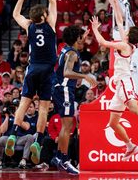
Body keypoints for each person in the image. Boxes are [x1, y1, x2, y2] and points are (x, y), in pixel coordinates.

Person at [91, 0, 138, 162]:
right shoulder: (126, 42)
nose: (124, 29)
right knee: (113, 123)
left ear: (129, 35)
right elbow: (119, 20)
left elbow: (102, 43)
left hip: (124, 81)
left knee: (133, 106)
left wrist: (95, 29)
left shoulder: (124, 45)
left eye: (127, 30)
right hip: (119, 84)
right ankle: (131, 146)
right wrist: (116, 4)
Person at [5, 0, 57, 166]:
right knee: (43, 107)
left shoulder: (29, 26)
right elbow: (53, 1)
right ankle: (38, 139)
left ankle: (13, 133)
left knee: (24, 103)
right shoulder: (50, 23)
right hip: (48, 70)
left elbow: (15, 14)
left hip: (33, 68)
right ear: (44, 15)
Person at [50, 25, 97, 175]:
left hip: (60, 88)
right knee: (67, 124)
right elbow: (67, 72)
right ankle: (63, 159)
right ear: (76, 39)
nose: (83, 39)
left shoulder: (66, 47)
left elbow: (76, 42)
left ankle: (59, 158)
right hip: (63, 89)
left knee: (67, 124)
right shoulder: (73, 54)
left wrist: (83, 36)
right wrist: (85, 76)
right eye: (81, 36)